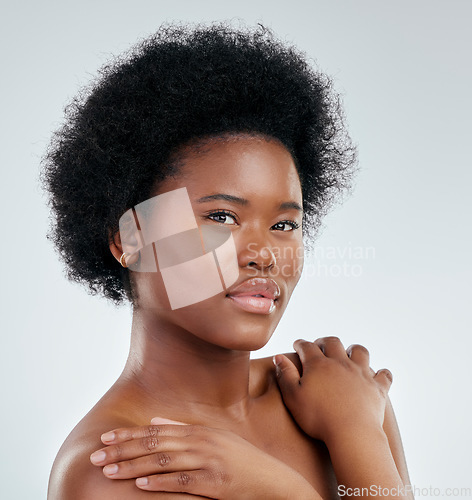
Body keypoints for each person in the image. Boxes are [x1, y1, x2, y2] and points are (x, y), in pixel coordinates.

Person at [42, 21, 413, 499]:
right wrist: (283, 489)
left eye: (284, 225)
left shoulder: (345, 398)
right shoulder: (115, 468)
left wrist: (355, 432)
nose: (263, 255)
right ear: (128, 239)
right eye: (221, 216)